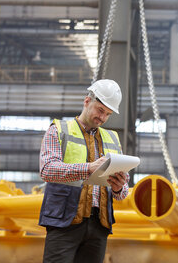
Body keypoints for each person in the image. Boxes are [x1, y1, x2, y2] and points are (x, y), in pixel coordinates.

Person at [38, 79, 129, 263]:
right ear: (87, 101)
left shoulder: (112, 138)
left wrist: (120, 188)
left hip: (98, 225)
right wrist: (88, 168)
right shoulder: (59, 130)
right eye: (100, 110)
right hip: (65, 221)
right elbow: (47, 169)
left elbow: (121, 193)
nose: (102, 118)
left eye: (108, 114)